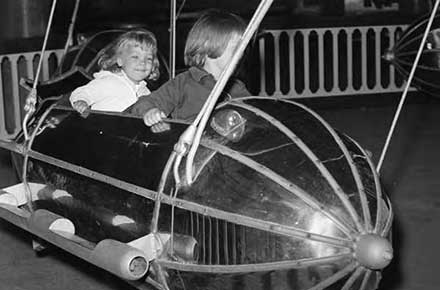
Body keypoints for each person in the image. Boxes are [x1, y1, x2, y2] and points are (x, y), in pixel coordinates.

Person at [127, 9, 250, 130]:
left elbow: (257, 115)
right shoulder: (183, 83)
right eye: (237, 47)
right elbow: (145, 103)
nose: (242, 52)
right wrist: (150, 111)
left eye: (243, 48)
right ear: (208, 44)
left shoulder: (237, 87)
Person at [69, 29, 160, 113]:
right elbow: (83, 92)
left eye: (148, 59)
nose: (143, 62)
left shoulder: (145, 92)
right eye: (135, 57)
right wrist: (81, 101)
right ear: (120, 60)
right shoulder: (108, 81)